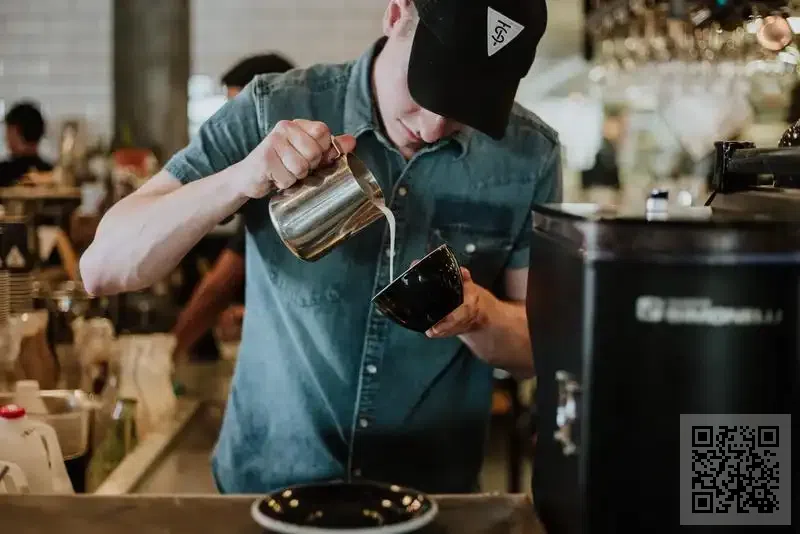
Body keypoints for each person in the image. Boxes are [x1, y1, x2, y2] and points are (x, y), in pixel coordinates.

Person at [80, 0, 560, 494]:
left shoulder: (529, 156)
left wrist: (479, 314)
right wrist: (241, 178)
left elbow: (537, 350)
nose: (433, 126)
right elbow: (102, 267)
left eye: (466, 107)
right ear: (397, 14)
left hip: (430, 497)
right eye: (427, 89)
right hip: (266, 490)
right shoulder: (272, 107)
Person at [172, 53, 295, 359]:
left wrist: (168, 353)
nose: (235, 129)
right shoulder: (263, 176)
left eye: (242, 115)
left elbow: (219, 287)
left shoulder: (288, 180)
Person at [0, 101, 53, 187]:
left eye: (8, 131)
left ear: (14, 131)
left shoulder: (4, 173)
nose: (5, 137)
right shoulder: (53, 173)